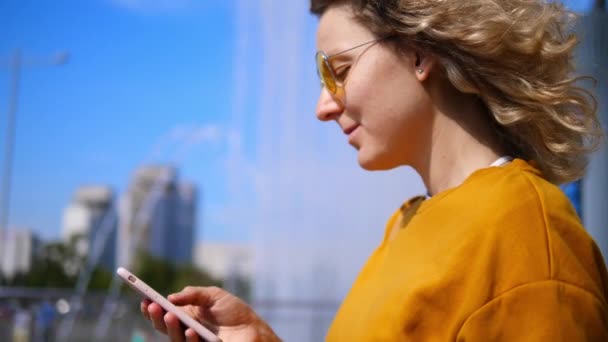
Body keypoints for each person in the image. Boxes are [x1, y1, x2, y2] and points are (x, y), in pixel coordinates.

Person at [141, 0, 608, 340]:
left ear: (419, 53)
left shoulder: (527, 240)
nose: (323, 106)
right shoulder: (409, 222)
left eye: (338, 71)